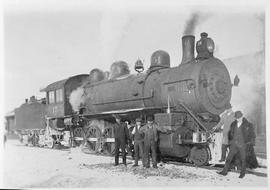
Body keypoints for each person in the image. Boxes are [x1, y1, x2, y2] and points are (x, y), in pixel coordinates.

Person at [217, 111, 250, 178]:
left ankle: (242, 173)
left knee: (242, 159)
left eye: (239, 118)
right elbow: (231, 132)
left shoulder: (245, 124)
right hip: (234, 144)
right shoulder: (234, 124)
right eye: (237, 118)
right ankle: (224, 172)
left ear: (242, 117)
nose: (238, 119)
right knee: (229, 158)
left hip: (241, 144)